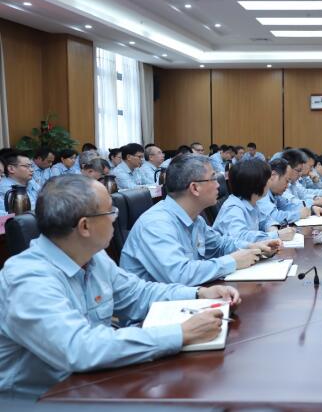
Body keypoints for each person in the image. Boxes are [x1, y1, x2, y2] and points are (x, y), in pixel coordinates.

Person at [0, 175, 240, 399]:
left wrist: (198, 293)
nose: (115, 218)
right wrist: (180, 333)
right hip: (41, 399)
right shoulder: (27, 279)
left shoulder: (93, 257)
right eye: (110, 211)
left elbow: (138, 294)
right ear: (85, 227)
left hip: (93, 383)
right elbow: (80, 349)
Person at [120, 154, 280, 286]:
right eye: (213, 179)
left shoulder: (195, 220)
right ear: (195, 188)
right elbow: (180, 274)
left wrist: (252, 247)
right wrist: (232, 261)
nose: (219, 185)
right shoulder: (157, 224)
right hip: (155, 311)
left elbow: (219, 245)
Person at [213, 159, 297, 243]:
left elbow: (265, 220)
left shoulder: (251, 203)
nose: (270, 182)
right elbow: (240, 238)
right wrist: (276, 235)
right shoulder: (233, 208)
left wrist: (272, 228)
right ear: (257, 183)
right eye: (268, 178)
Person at [257, 157, 317, 224]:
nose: (287, 186)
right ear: (273, 175)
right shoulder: (261, 191)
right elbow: (274, 217)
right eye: (286, 181)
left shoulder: (274, 193)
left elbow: (287, 206)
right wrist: (298, 215)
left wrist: (311, 208)